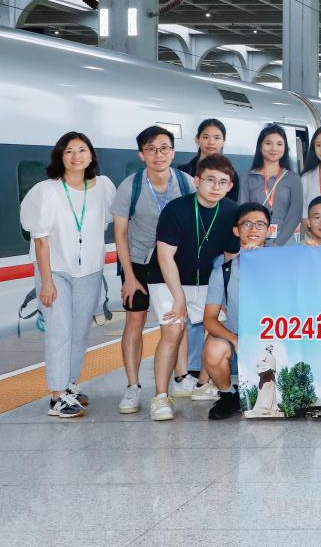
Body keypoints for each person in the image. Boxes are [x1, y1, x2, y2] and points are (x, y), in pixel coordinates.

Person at [19, 132, 116, 418]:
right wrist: (46, 283)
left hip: (90, 270)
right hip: (55, 270)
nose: (76, 156)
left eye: (82, 150)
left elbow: (108, 221)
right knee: (59, 331)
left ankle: (70, 384)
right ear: (60, 156)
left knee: (80, 331)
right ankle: (57, 396)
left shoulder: (104, 186)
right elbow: (40, 240)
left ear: (91, 155)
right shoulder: (46, 191)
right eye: (69, 151)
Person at [112, 126, 195, 415]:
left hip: (172, 261)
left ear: (173, 151)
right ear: (141, 154)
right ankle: (133, 387)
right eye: (151, 149)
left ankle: (181, 377)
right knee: (135, 320)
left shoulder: (185, 182)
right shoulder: (131, 186)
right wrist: (129, 276)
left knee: (175, 318)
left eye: (164, 148)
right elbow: (120, 233)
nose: (158, 154)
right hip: (138, 260)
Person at [151, 154, 240, 421]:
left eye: (222, 182)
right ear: (197, 181)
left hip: (208, 281)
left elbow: (230, 255)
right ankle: (160, 397)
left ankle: (203, 384)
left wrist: (226, 293)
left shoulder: (231, 211)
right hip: (169, 279)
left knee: (216, 328)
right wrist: (178, 298)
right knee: (173, 330)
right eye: (210, 180)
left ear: (229, 186)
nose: (215, 186)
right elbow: (165, 256)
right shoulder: (176, 209)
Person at [201, 202, 270, 420]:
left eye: (260, 224)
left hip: (275, 339)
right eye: (247, 224)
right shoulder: (224, 270)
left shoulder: (284, 264)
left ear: (269, 230)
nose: (253, 229)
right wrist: (235, 338)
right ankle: (228, 394)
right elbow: (209, 319)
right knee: (214, 349)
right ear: (236, 230)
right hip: (238, 337)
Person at [237, 124, 302, 247]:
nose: (274, 148)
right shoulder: (246, 178)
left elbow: (295, 215)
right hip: (254, 241)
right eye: (268, 143)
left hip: (285, 243)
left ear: (285, 148)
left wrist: (278, 243)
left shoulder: (293, 178)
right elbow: (243, 213)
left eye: (279, 144)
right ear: (260, 146)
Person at [178, 118, 237, 200]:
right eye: (206, 137)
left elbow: (231, 204)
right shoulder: (182, 171)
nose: (211, 142)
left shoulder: (231, 174)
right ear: (197, 139)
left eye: (217, 138)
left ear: (223, 141)